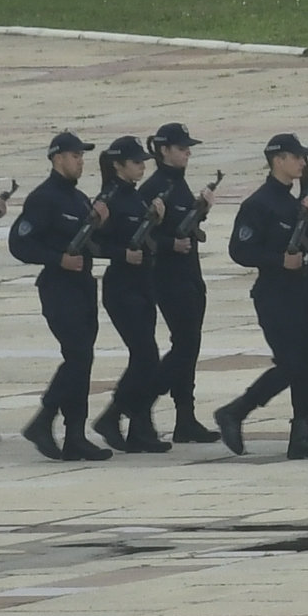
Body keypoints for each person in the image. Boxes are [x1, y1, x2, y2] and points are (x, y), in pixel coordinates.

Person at [207, 133, 308, 457]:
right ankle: (235, 411)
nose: (301, 163)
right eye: (295, 157)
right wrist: (279, 260)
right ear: (278, 160)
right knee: (292, 363)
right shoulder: (260, 203)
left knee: (307, 364)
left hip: (301, 293)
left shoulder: (296, 201)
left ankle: (302, 433)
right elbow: (240, 249)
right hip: (275, 295)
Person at [10, 132, 105, 462]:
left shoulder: (79, 199)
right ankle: (43, 419)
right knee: (77, 357)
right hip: (58, 287)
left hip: (83, 286)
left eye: (82, 155)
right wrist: (57, 259)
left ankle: (75, 435)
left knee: (83, 360)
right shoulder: (44, 198)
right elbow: (20, 244)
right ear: (57, 158)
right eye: (75, 155)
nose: (80, 160)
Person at [128, 127, 215, 453]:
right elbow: (142, 233)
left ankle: (185, 416)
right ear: (164, 151)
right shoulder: (155, 188)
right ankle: (139, 402)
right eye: (181, 148)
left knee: (189, 346)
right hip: (167, 277)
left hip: (190, 274)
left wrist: (200, 212)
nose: (187, 153)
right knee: (184, 345)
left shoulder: (178, 184)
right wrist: (168, 244)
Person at [85, 139, 171, 451]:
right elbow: (92, 242)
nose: (142, 166)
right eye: (135, 162)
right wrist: (122, 254)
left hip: (143, 282)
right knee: (146, 355)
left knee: (146, 357)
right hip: (122, 285)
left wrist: (156, 222)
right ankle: (113, 414)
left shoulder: (134, 195)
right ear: (119, 165)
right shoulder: (108, 199)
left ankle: (140, 428)